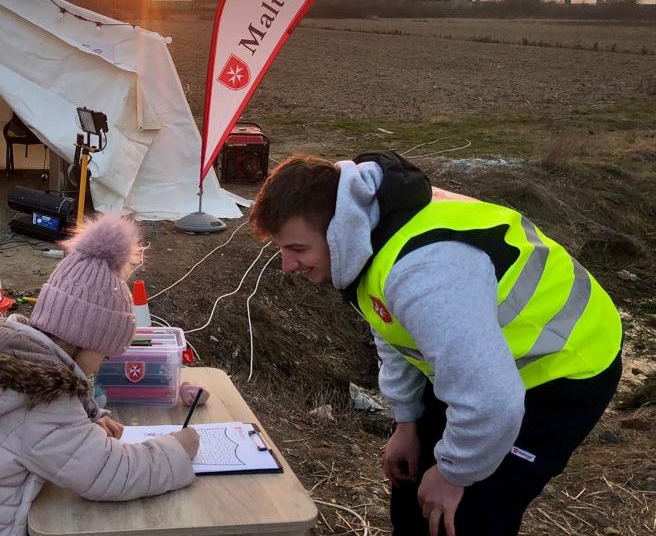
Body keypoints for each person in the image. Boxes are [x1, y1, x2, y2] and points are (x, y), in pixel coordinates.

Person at [249, 150, 622, 536]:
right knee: (412, 492)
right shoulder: (370, 234)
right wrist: (406, 421)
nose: (287, 267)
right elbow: (391, 326)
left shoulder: (425, 275)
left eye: (297, 249)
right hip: (484, 363)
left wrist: (454, 473)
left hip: (562, 367)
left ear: (338, 231)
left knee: (469, 515)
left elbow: (493, 402)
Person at [0, 213, 199, 536]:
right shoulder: (41, 400)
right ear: (85, 340)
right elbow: (109, 472)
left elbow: (45, 433)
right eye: (105, 354)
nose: (101, 366)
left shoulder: (17, 364)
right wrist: (177, 450)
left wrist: (87, 418)